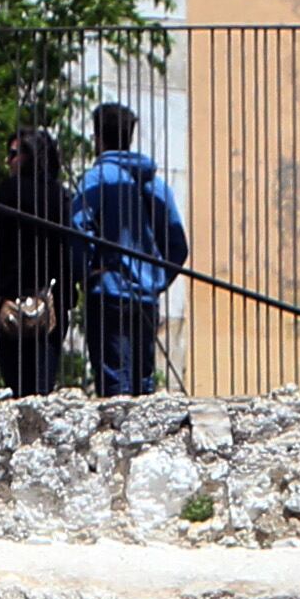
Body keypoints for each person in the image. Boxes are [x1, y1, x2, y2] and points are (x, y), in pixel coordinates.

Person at [71, 101, 187, 399]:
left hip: (108, 290)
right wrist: (156, 280)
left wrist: (84, 272)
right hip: (146, 295)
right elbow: (177, 245)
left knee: (113, 379)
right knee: (142, 379)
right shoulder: (156, 184)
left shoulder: (97, 179)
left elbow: (78, 230)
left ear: (98, 138)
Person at [0, 125, 71, 399]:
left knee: (17, 384)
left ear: (29, 155)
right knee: (43, 387)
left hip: (11, 301)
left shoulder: (9, 192)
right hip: (49, 302)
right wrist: (66, 298)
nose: (7, 161)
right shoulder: (61, 196)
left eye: (13, 154)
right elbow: (67, 252)